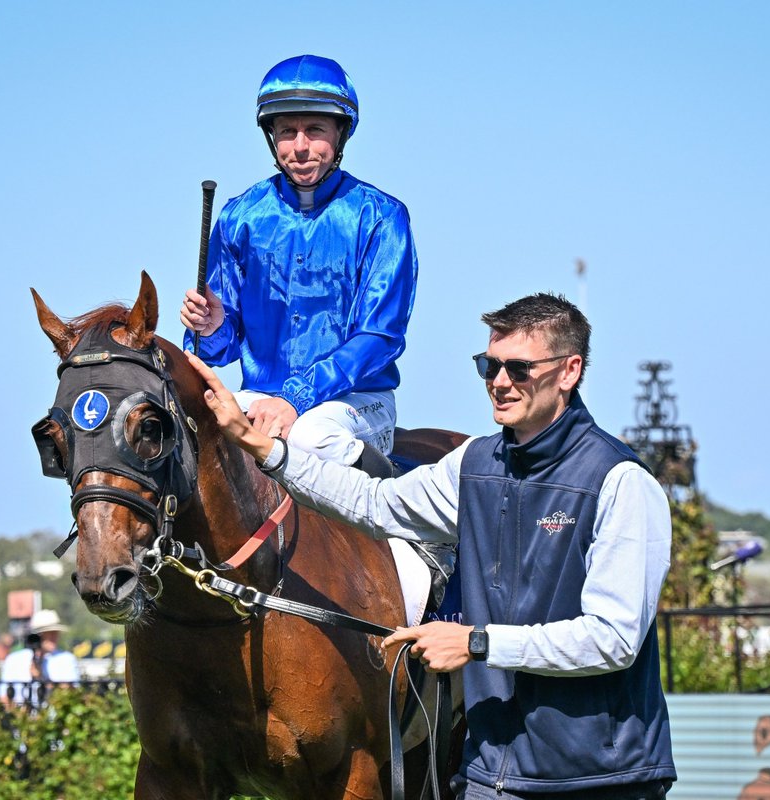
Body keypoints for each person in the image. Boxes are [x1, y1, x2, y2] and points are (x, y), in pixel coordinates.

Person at [188, 292, 677, 799]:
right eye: (488, 365)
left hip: (602, 779)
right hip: (492, 779)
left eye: (518, 368)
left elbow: (613, 639)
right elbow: (375, 503)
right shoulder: (473, 464)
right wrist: (262, 447)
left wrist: (476, 643)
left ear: (569, 371)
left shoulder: (621, 481)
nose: (499, 382)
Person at [179, 54, 417, 470]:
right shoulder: (238, 217)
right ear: (271, 136)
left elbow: (380, 336)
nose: (300, 147)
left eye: (315, 130)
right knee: (184, 435)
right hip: (260, 397)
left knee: (309, 437)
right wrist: (213, 328)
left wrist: (296, 397)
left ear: (341, 133)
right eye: (288, 131)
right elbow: (216, 351)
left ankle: (396, 504)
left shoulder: (382, 217)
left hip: (356, 401)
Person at [0, 609, 81, 709]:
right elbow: (4, 697)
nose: (54, 637)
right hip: (21, 715)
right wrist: (19, 715)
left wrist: (41, 678)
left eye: (55, 632)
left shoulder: (66, 659)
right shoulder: (14, 660)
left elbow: (71, 693)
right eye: (48, 633)